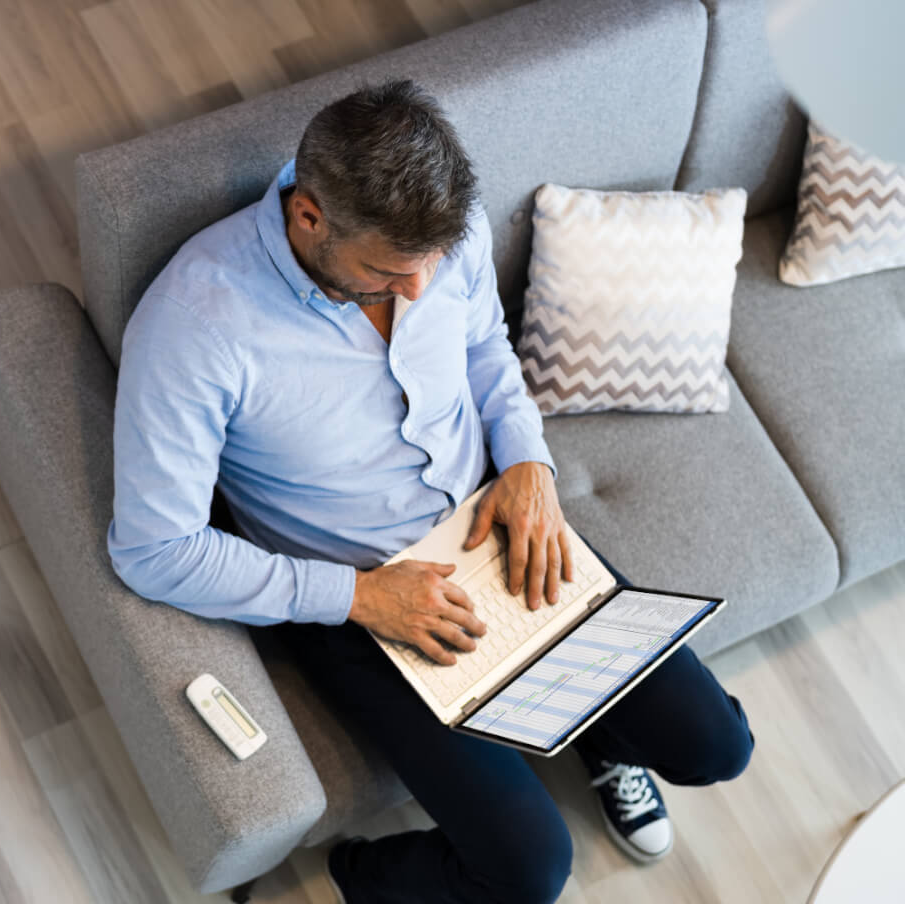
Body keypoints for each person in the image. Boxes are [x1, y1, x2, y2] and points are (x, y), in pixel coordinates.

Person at [106, 80, 753, 904]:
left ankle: (591, 725)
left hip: (498, 524)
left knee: (717, 746)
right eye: (385, 273)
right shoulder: (197, 325)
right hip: (360, 600)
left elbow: (484, 343)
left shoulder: (443, 237)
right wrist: (362, 598)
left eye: (429, 269)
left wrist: (527, 461)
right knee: (527, 872)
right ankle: (361, 876)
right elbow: (152, 551)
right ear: (309, 217)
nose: (416, 292)